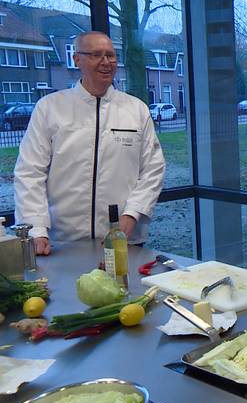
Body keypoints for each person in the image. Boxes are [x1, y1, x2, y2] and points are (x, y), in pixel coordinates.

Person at [14, 31, 165, 255]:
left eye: (111, 55)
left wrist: (133, 213)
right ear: (77, 60)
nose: (106, 62)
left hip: (124, 239)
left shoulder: (136, 109)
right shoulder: (50, 108)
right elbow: (30, 171)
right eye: (96, 55)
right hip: (63, 241)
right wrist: (37, 228)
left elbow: (153, 169)